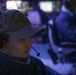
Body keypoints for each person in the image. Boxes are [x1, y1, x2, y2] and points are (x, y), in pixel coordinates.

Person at [0, 9, 59, 75]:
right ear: (1, 43)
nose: (30, 44)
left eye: (29, 37)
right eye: (22, 38)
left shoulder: (37, 64)